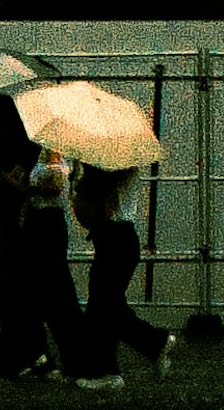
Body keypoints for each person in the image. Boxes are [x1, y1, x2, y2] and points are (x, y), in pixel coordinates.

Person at [0, 72, 80, 386]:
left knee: (6, 289)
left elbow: (35, 186)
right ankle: (43, 358)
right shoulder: (18, 145)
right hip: (27, 228)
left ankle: (18, 359)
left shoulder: (23, 149)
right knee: (41, 297)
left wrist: (1, 178)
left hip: (26, 229)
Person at [69, 157, 167, 388]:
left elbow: (99, 204)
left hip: (114, 238)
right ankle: (114, 366)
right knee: (106, 304)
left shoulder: (109, 168)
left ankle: (146, 347)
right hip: (119, 238)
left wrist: (79, 178)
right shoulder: (124, 160)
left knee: (103, 306)